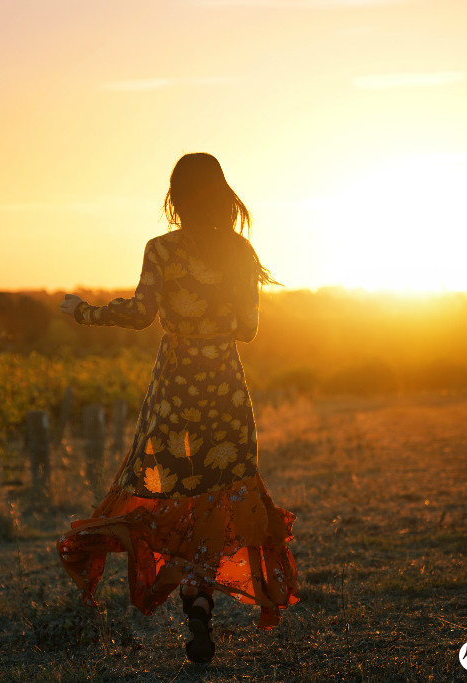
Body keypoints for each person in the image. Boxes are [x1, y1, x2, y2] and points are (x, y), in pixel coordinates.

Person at [56, 152, 299, 664]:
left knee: (171, 488)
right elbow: (248, 329)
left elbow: (141, 315)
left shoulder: (161, 249)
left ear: (175, 195)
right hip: (226, 389)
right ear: (222, 193)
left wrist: (83, 312)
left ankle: (190, 583)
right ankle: (200, 586)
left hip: (175, 388)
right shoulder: (239, 251)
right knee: (220, 490)